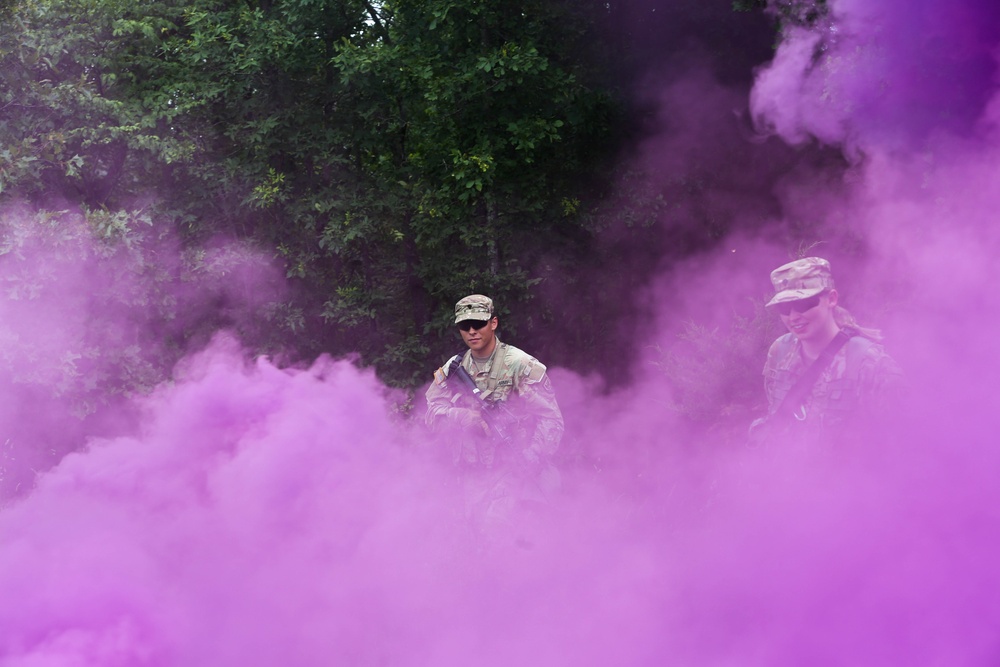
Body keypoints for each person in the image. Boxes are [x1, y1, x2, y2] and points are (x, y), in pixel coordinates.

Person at [425, 294, 564, 539]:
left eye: (478, 323)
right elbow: (432, 414)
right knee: (473, 541)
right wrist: (459, 416)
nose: (471, 331)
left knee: (499, 537)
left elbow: (551, 419)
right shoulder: (453, 369)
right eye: (464, 326)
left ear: (493, 323)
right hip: (471, 475)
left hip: (512, 469)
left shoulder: (521, 365)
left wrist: (533, 454)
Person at [748, 257, 902, 448]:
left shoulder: (870, 362)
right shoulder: (780, 352)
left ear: (831, 299)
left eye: (804, 304)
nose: (794, 316)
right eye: (784, 307)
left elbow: (900, 445)